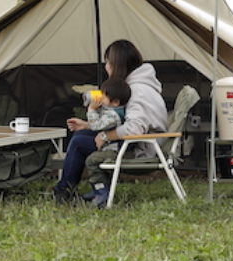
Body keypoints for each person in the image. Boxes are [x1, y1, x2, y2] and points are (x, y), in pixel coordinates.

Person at [52, 39, 168, 207]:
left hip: (142, 148)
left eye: (108, 62)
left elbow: (135, 129)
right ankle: (85, 188)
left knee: (78, 142)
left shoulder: (137, 91)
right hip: (138, 142)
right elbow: (120, 120)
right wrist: (87, 125)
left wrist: (106, 136)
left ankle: (64, 192)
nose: (106, 66)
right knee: (82, 134)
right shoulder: (136, 85)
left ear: (117, 65)